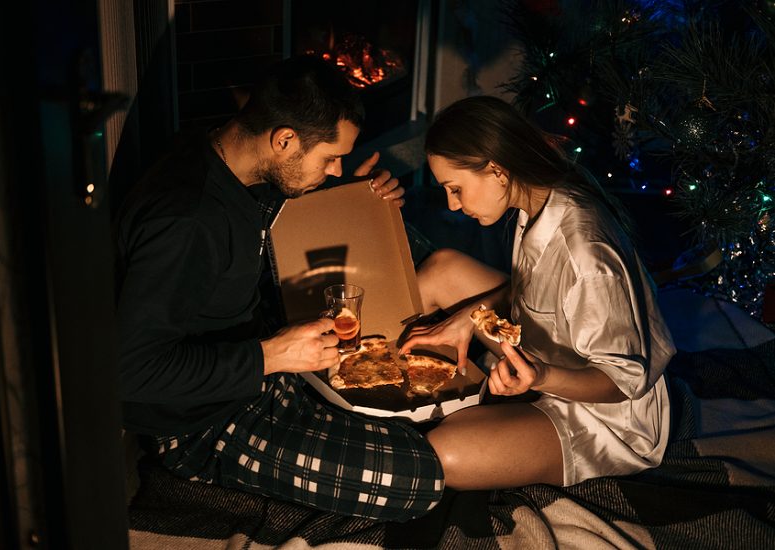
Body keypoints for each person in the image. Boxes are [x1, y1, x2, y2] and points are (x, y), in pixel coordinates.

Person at [114, 54, 444, 521]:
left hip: (257, 350)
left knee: (390, 227)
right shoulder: (186, 222)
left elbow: (263, 218)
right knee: (418, 479)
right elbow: (130, 370)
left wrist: (345, 194)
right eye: (330, 158)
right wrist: (271, 356)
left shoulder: (221, 155)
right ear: (284, 140)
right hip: (200, 422)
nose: (336, 168)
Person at [399, 95, 676, 490]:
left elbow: (621, 382)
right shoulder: (539, 197)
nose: (453, 205)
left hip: (604, 416)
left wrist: (539, 377)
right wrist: (469, 317)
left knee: (446, 453)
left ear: (496, 170)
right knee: (442, 268)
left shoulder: (587, 256)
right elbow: (535, 285)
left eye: (455, 189)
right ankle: (370, 377)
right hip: (541, 348)